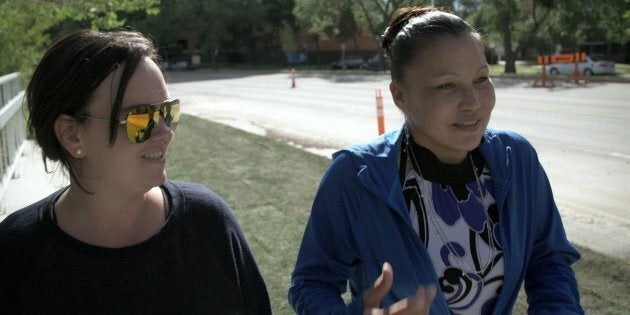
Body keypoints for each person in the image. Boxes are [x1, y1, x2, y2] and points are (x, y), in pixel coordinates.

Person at [289, 6, 583, 315]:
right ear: (400, 95)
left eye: (481, 79)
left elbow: (548, 259)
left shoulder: (516, 158)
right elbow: (311, 283)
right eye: (447, 85)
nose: (473, 102)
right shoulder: (355, 176)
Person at [0, 29, 272, 314]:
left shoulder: (207, 223)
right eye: (141, 118)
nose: (166, 133)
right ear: (72, 135)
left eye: (168, 112)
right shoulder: (16, 254)